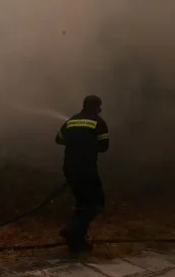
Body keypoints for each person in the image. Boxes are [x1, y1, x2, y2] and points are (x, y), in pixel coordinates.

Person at [55, 95, 109, 254]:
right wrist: (89, 143)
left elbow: (58, 139)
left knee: (82, 203)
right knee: (97, 203)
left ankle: (77, 240)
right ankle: (73, 231)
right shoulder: (99, 122)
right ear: (95, 106)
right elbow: (104, 146)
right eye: (99, 106)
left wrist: (75, 141)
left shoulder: (71, 121)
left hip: (69, 168)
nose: (100, 109)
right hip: (87, 170)